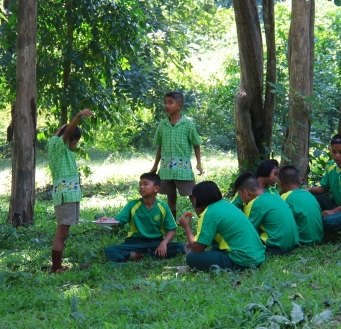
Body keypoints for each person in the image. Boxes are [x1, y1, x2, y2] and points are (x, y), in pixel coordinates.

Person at [178, 181, 265, 271]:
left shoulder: (209, 213)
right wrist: (194, 243)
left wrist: (186, 226)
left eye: (194, 199)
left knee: (192, 258)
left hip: (242, 260)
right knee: (213, 249)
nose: (194, 202)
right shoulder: (225, 204)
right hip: (258, 256)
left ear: (201, 198)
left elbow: (197, 249)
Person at [48, 109, 93, 273]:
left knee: (63, 232)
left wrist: (62, 128)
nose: (74, 146)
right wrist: (78, 116)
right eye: (74, 143)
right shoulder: (60, 148)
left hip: (67, 195)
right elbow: (67, 132)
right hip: (65, 196)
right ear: (67, 140)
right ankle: (56, 267)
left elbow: (62, 131)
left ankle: (57, 266)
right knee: (62, 233)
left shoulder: (53, 143)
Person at [104, 173, 185, 263]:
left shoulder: (163, 207)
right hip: (135, 242)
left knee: (181, 247)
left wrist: (163, 243)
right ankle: (126, 261)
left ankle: (140, 255)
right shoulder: (132, 205)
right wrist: (107, 220)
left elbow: (171, 230)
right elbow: (118, 221)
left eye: (145, 184)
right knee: (110, 250)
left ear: (156, 188)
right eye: (140, 184)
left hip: (156, 242)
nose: (141, 187)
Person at [150, 92, 203, 220]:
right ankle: (172, 224)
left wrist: (199, 163)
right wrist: (155, 165)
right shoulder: (162, 125)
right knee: (170, 196)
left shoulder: (188, 125)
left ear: (179, 106)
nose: (167, 105)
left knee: (192, 194)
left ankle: (203, 219)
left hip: (183, 170)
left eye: (170, 103)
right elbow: (160, 146)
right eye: (165, 102)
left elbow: (196, 144)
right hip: (166, 170)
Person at [234, 172, 298, 255]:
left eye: (239, 195)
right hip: (292, 245)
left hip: (276, 248)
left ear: (245, 192)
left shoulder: (255, 203)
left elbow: (246, 231)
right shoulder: (274, 196)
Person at [279, 165, 324, 245]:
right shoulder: (309, 194)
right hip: (319, 238)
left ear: (280, 182)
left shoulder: (284, 198)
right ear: (299, 180)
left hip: (301, 241)